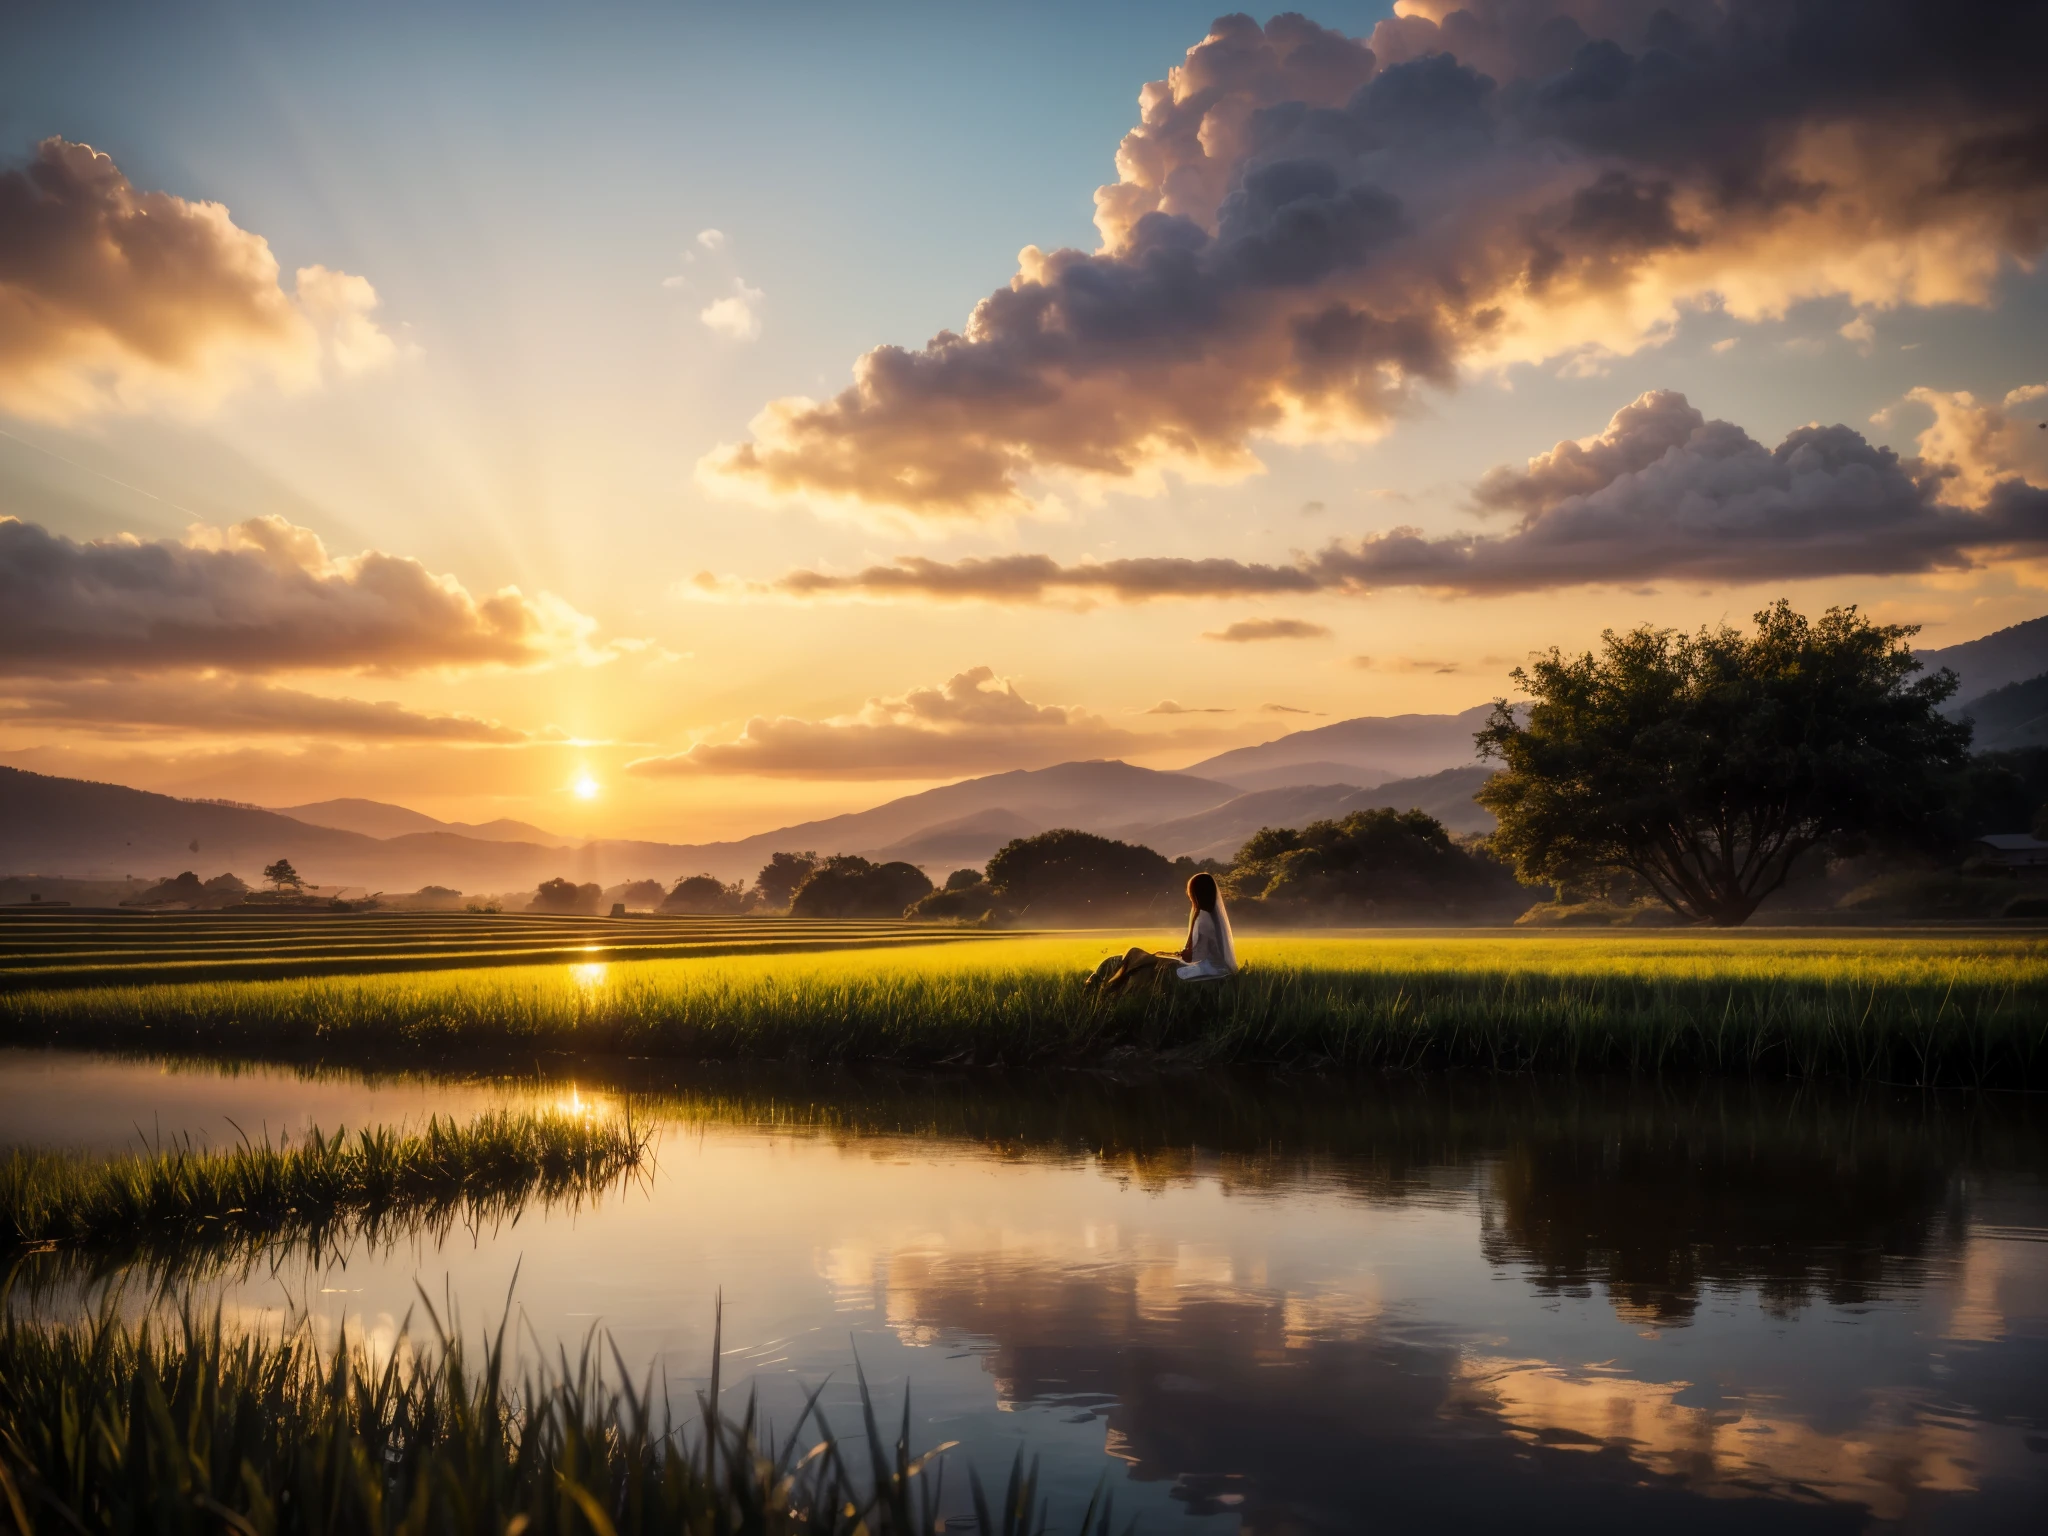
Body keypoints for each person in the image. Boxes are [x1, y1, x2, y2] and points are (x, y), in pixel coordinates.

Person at [1085, 872, 1239, 992]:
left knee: (1140, 957)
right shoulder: (1209, 916)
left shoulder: (1202, 918)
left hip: (1203, 968)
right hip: (1209, 966)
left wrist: (1175, 955)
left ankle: (1106, 985)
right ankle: (1112, 983)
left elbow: (1193, 956)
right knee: (1146, 958)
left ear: (1195, 893)